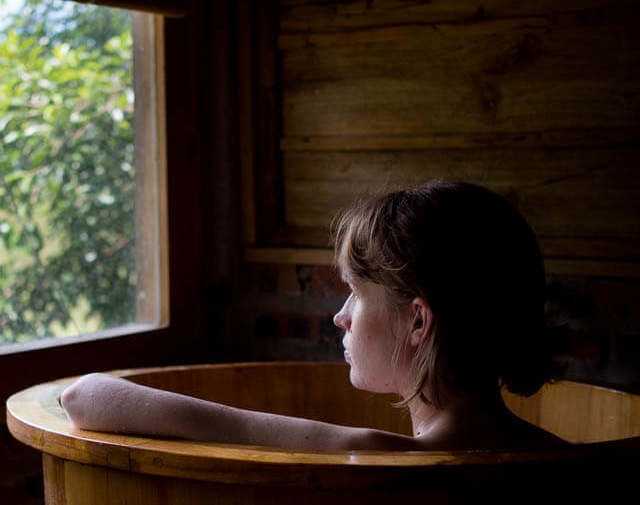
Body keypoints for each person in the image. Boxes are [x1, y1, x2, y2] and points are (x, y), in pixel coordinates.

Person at [60, 181, 568, 451]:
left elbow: (82, 396)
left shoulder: (377, 456)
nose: (340, 318)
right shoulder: (578, 463)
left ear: (418, 322)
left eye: (354, 293)